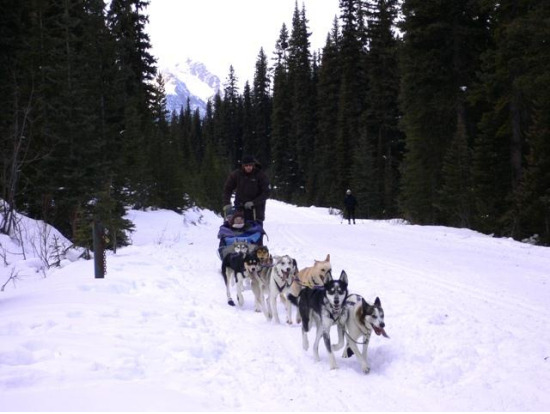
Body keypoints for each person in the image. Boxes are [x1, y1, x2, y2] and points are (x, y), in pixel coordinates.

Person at [223, 154, 271, 223]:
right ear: (243, 165)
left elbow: (267, 192)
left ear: (253, 165)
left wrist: (253, 202)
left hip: (256, 210)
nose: (248, 167)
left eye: (250, 165)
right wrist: (226, 203)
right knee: (237, 229)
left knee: (256, 230)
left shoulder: (260, 175)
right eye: (246, 165)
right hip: (240, 208)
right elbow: (227, 189)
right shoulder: (236, 174)